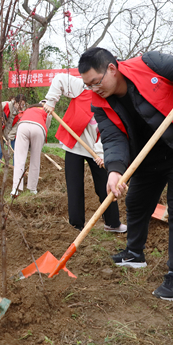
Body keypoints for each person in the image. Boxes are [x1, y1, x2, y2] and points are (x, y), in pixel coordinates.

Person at [78, 47, 173, 301]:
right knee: (136, 202)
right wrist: (115, 170)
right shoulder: (99, 102)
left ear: (112, 68)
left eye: (96, 82)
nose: (95, 89)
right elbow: (112, 136)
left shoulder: (148, 63)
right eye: (88, 86)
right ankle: (134, 253)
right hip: (148, 156)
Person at [43, 73, 126, 233]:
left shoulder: (113, 104)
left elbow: (110, 134)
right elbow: (60, 79)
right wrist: (51, 101)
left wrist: (102, 155)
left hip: (97, 149)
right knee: (75, 186)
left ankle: (112, 223)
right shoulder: (83, 87)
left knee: (105, 185)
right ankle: (76, 226)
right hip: (74, 145)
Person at [11, 101, 52, 196]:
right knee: (35, 159)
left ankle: (15, 189)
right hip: (39, 128)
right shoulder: (48, 110)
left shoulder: (29, 108)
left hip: (22, 126)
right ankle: (32, 189)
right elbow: (47, 126)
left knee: (19, 159)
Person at [0, 94, 27, 169]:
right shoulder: (5, 105)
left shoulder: (20, 113)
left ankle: (15, 169)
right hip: (0, 133)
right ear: (15, 102)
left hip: (10, 134)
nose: (21, 107)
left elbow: (15, 127)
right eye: (20, 104)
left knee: (15, 152)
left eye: (23, 105)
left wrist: (9, 138)